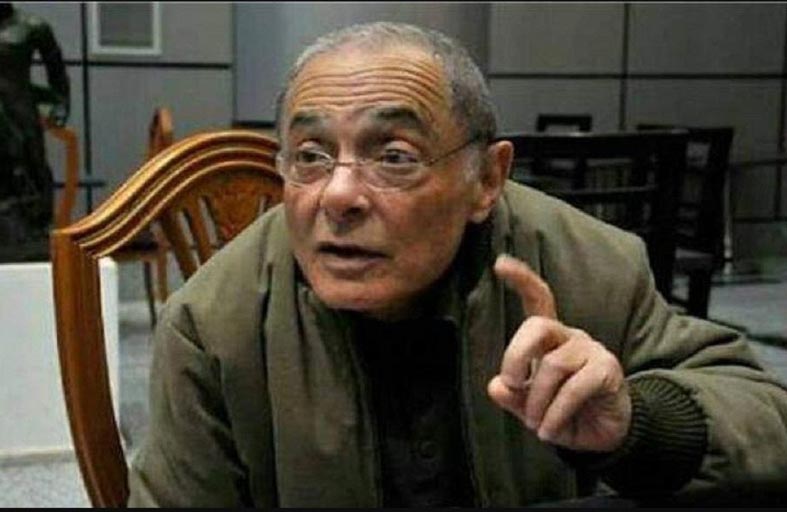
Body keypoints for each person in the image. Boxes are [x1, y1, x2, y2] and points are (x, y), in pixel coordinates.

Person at [128, 22, 787, 507]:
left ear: (486, 179)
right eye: (310, 155)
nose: (338, 195)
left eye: (393, 156)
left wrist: (637, 424)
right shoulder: (213, 324)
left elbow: (766, 419)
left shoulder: (587, 265)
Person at [0, 2, 69, 259]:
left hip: (20, 111)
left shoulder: (33, 27)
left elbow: (56, 69)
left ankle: (36, 228)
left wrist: (61, 104)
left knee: (33, 169)